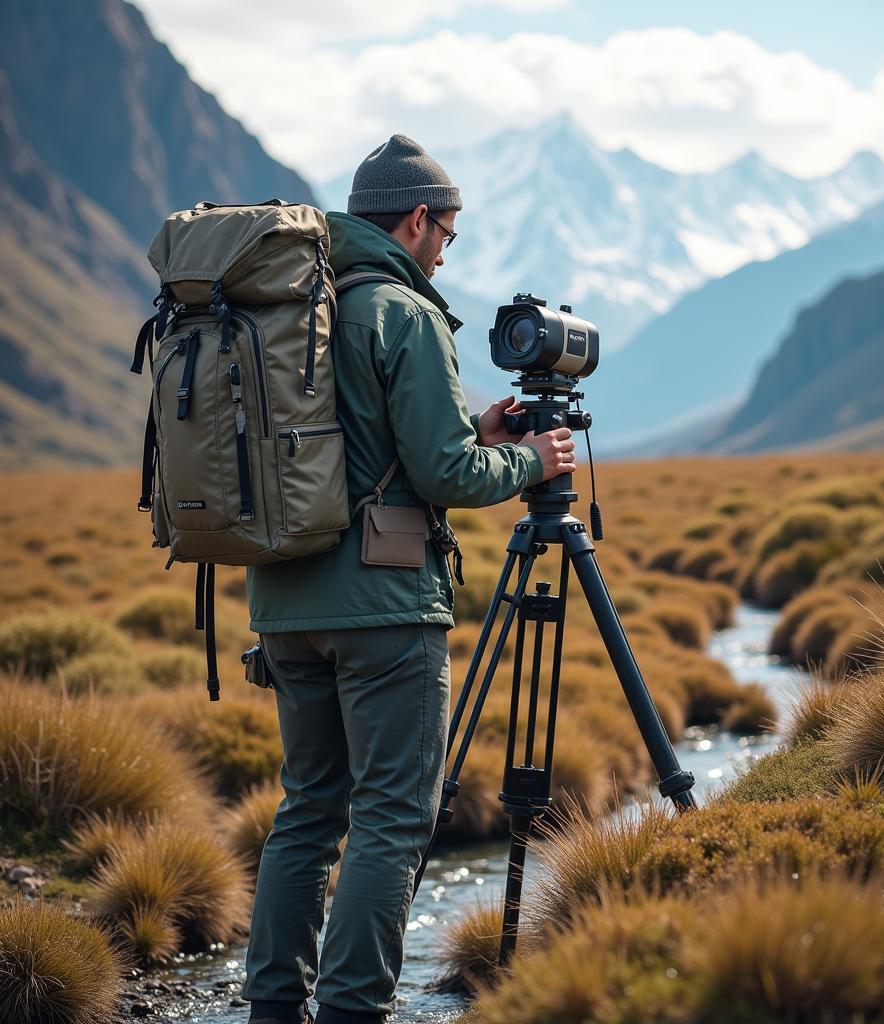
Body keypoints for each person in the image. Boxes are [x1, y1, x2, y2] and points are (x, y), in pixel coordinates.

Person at [242, 134, 575, 1024]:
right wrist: (533, 464)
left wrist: (480, 427)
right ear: (419, 218)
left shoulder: (298, 302)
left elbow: (355, 443)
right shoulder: (405, 310)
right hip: (384, 605)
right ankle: (353, 1011)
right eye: (447, 235)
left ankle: (272, 1007)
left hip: (281, 604)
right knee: (390, 817)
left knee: (309, 810)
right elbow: (446, 479)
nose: (444, 251)